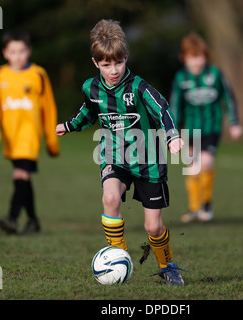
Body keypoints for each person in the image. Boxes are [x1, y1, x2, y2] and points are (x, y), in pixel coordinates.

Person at [55, 19, 185, 285]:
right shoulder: (90, 88)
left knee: (153, 227)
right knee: (110, 198)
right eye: (106, 65)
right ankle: (120, 255)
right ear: (95, 63)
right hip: (114, 156)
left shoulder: (138, 87)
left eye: (119, 62)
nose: (113, 70)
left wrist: (172, 137)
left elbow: (162, 109)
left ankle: (167, 265)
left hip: (149, 160)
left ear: (126, 57)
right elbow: (87, 113)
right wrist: (69, 126)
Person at [0, 30, 60, 235]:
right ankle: (33, 220)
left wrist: (52, 142)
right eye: (13, 51)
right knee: (23, 179)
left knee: (20, 174)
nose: (18, 56)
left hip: (30, 135)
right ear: (5, 53)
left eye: (22, 51)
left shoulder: (38, 74)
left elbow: (49, 109)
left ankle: (12, 218)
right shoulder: (0, 75)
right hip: (11, 136)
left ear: (29, 51)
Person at [169, 32, 243, 223]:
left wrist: (234, 123)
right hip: (191, 130)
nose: (197, 61)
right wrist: (172, 132)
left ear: (206, 56)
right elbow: (175, 106)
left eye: (200, 56)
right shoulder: (180, 78)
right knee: (192, 168)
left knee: (206, 163)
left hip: (212, 129)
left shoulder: (215, 74)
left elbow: (229, 98)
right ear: (184, 58)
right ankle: (194, 209)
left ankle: (207, 205)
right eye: (192, 57)